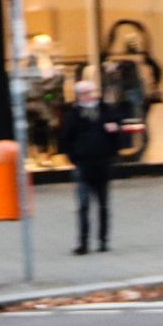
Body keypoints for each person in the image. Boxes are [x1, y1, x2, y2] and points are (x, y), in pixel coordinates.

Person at [57, 77, 123, 255]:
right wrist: (74, 157)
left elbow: (118, 126)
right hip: (83, 164)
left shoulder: (105, 109)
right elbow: (66, 137)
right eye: (85, 93)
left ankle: (103, 241)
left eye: (91, 92)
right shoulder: (73, 113)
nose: (89, 96)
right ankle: (83, 243)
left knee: (103, 205)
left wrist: (114, 129)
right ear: (78, 95)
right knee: (83, 205)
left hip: (102, 162)